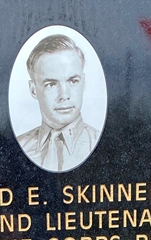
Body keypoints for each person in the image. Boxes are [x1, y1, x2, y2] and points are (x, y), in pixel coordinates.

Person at [16, 34, 99, 172]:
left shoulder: (102, 144)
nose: (64, 95)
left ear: (83, 83)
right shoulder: (18, 147)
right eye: (51, 84)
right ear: (33, 90)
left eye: (73, 81)